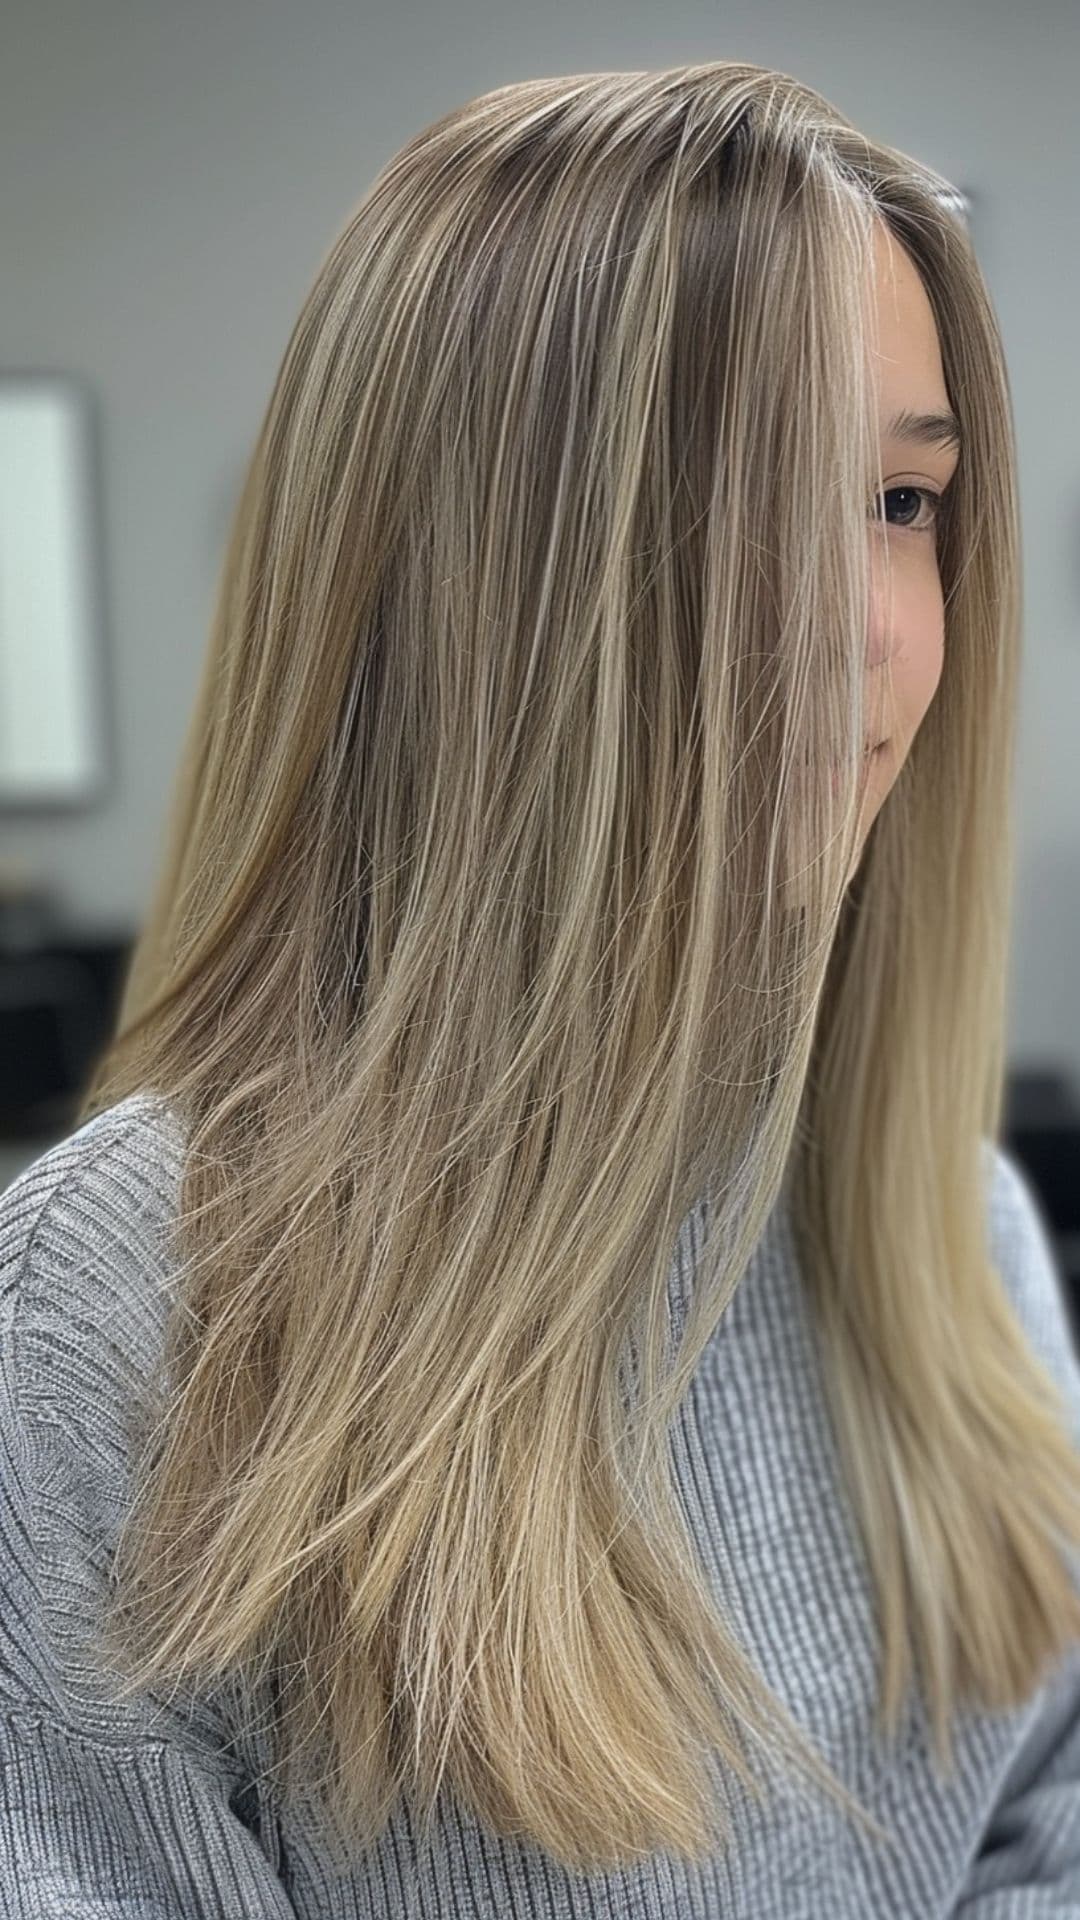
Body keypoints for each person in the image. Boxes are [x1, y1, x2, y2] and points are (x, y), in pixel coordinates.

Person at [2, 60, 1079, 1919]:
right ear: (480, 571)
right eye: (745, 500)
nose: (871, 622)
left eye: (905, 498)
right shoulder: (133, 1317)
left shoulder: (950, 1229)